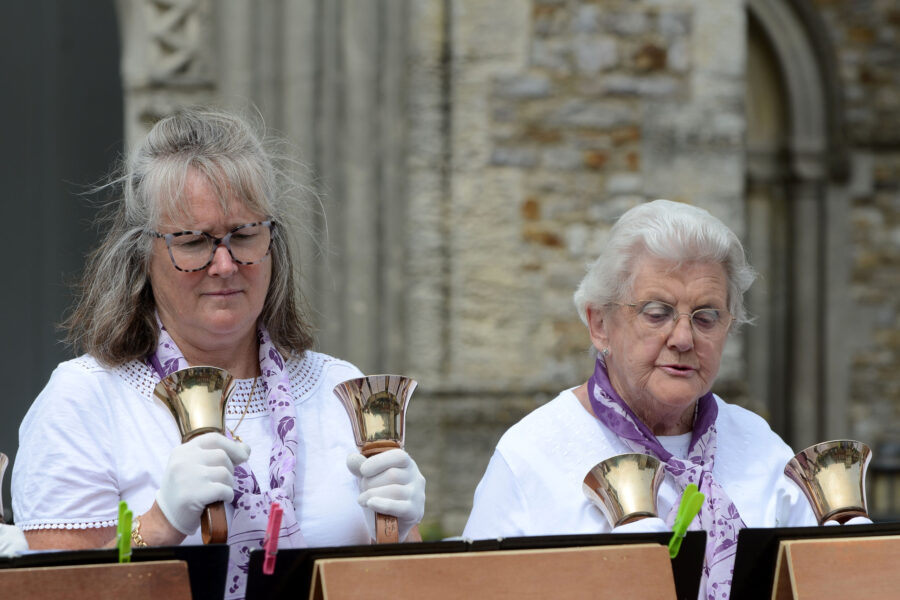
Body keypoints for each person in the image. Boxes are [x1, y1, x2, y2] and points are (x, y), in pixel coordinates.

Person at [11, 108, 425, 599]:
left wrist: (399, 535)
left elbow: (403, 588)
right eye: (192, 242)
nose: (224, 264)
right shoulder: (86, 400)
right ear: (142, 254)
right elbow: (52, 591)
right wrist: (158, 525)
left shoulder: (339, 390)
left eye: (244, 235)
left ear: (273, 242)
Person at [463, 199, 823, 599]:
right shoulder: (531, 455)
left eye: (706, 317)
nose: (683, 339)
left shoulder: (761, 447)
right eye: (657, 313)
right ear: (600, 324)